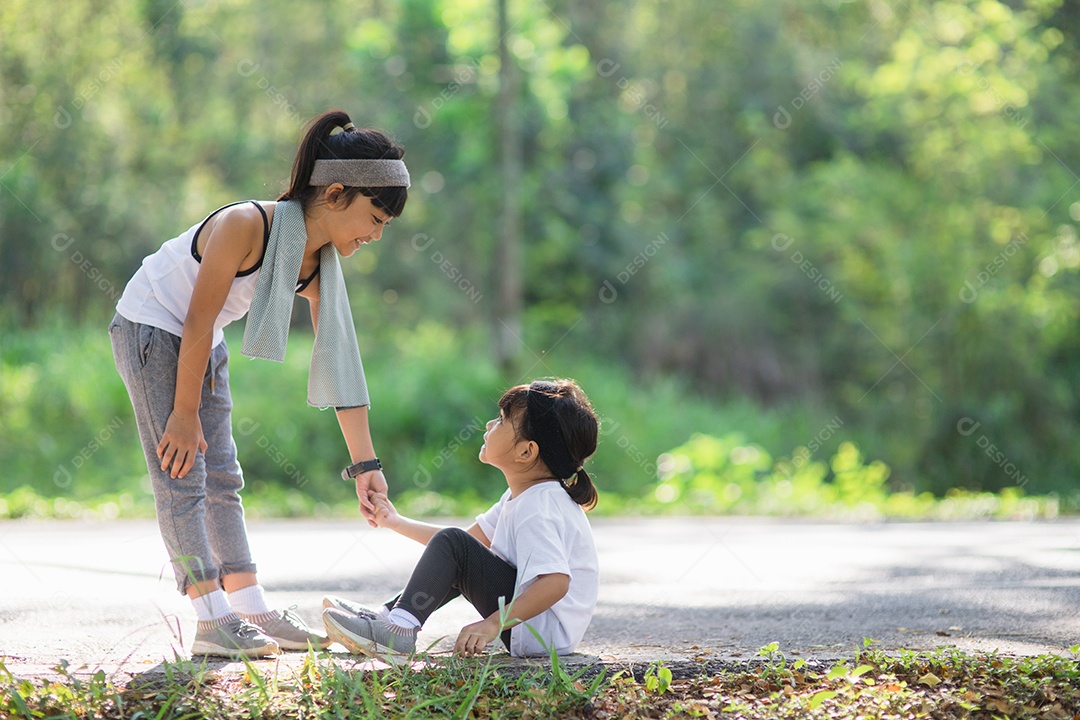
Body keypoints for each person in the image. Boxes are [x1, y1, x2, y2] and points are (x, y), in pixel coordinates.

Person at [108, 109, 409, 658]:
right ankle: (210, 617)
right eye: (376, 217)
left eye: (385, 224)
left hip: (207, 340)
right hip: (152, 327)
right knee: (182, 472)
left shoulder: (316, 264)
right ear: (336, 193)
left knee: (224, 473)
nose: (376, 234)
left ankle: (249, 606)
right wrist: (182, 412)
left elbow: (340, 357)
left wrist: (366, 466)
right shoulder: (246, 225)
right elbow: (195, 318)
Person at [322, 379, 600, 659]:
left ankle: (398, 631)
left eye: (502, 420)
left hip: (542, 630)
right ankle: (388, 617)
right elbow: (455, 549)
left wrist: (492, 624)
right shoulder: (529, 495)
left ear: (526, 452)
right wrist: (394, 521)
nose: (490, 425)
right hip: (538, 627)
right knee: (455, 548)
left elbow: (555, 582)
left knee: (455, 544)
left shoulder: (538, 505)